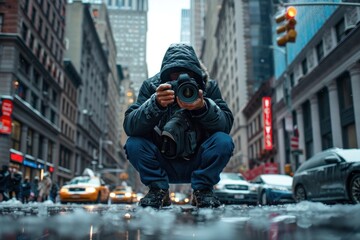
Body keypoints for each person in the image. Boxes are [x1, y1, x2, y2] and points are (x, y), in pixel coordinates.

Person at [123, 43, 234, 208]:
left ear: (195, 75)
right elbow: (130, 126)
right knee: (134, 143)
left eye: (187, 75)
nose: (181, 82)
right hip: (162, 160)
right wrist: (155, 104)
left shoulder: (208, 87)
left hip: (197, 159)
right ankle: (158, 190)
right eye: (174, 76)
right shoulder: (152, 87)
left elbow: (225, 125)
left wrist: (203, 107)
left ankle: (203, 191)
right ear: (165, 76)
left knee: (224, 141)